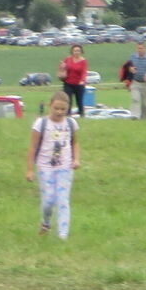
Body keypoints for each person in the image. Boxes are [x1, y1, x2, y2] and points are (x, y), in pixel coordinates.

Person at [25, 91, 81, 238]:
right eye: (56, 108)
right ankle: (46, 222)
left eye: (63, 109)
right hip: (45, 168)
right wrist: (30, 170)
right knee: (49, 200)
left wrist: (76, 159)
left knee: (63, 200)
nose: (59, 112)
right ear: (50, 106)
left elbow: (75, 143)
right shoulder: (41, 124)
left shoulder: (71, 124)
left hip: (65, 167)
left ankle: (63, 234)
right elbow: (32, 148)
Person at [59, 43, 90, 116]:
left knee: (79, 101)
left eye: (78, 51)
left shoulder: (83, 61)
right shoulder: (68, 59)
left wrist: (82, 81)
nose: (76, 52)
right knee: (68, 100)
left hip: (79, 84)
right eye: (75, 51)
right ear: (72, 51)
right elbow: (62, 67)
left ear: (81, 52)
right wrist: (62, 67)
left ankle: (82, 115)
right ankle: (67, 115)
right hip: (68, 83)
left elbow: (84, 72)